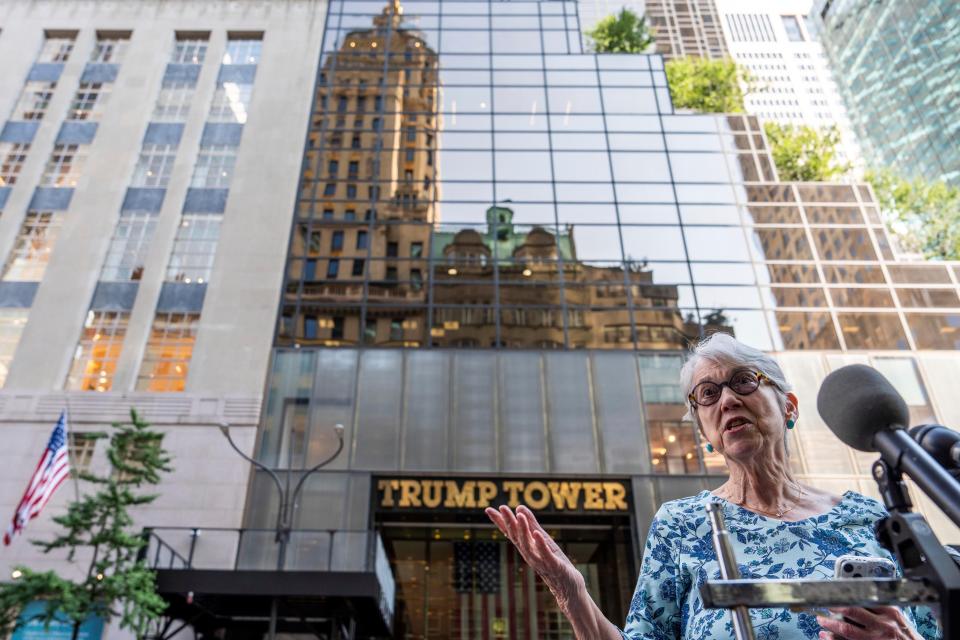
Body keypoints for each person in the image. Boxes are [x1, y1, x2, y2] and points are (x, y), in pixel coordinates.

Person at [486, 332, 941, 640]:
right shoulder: (683, 524)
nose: (726, 399)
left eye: (743, 381)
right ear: (705, 431)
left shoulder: (873, 520)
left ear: (788, 405)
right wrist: (571, 591)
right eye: (708, 393)